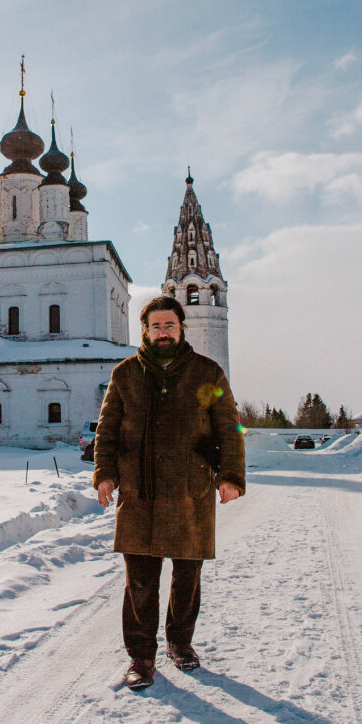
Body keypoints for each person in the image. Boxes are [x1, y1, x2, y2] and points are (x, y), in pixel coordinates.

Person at [93, 295, 245, 690]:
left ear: (182, 329)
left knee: (186, 575)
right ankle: (141, 657)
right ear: (145, 331)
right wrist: (105, 474)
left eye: (170, 326)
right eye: (156, 326)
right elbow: (106, 429)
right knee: (140, 580)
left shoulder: (207, 373)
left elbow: (230, 428)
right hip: (140, 492)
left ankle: (180, 642)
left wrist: (230, 475)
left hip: (189, 490)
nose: (163, 332)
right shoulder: (125, 374)